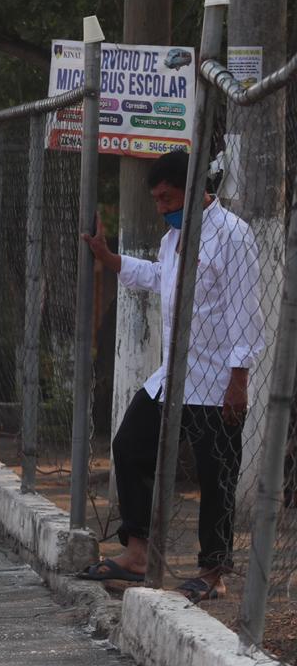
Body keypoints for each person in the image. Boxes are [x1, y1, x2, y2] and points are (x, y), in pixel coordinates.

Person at [79, 149, 264, 603]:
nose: (162, 206)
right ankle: (138, 553)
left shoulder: (233, 237)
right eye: (157, 199)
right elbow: (162, 277)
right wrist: (110, 258)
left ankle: (213, 571)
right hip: (174, 376)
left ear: (196, 189)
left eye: (167, 196)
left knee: (216, 473)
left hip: (219, 380)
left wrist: (238, 380)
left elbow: (246, 313)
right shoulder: (175, 237)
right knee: (129, 445)